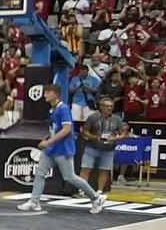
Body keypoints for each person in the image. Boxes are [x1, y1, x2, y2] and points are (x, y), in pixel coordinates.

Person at [17, 84, 106, 214]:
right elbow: (54, 129)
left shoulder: (63, 108)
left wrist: (48, 142)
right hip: (51, 150)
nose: (44, 95)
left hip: (63, 149)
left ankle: (96, 197)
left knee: (70, 177)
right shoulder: (52, 110)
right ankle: (34, 201)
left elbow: (66, 129)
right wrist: (48, 140)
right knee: (40, 173)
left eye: (48, 92)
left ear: (56, 94)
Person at [80, 95, 126, 195]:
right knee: (86, 168)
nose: (109, 108)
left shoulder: (117, 119)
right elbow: (84, 131)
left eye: (111, 106)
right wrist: (95, 137)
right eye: (107, 106)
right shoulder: (93, 117)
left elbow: (123, 133)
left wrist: (115, 138)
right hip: (92, 147)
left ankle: (100, 191)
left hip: (108, 148)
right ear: (101, 107)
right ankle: (82, 190)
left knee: (104, 170)